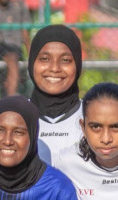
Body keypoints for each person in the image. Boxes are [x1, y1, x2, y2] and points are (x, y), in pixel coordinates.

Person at [27, 25, 86, 156]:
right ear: (31, 63)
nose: (54, 68)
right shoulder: (16, 116)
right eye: (44, 59)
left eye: (65, 60)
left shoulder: (91, 116)